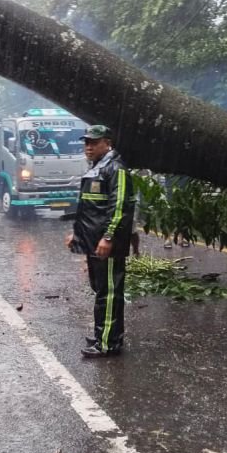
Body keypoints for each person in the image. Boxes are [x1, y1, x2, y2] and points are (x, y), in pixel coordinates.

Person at [65, 125, 135, 358]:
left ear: (107, 143)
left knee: (109, 293)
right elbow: (89, 209)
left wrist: (108, 237)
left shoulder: (116, 169)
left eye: (94, 143)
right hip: (93, 244)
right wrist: (77, 236)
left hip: (107, 246)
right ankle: (103, 335)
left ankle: (108, 344)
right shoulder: (97, 168)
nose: (88, 147)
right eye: (86, 142)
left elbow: (120, 207)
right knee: (100, 290)